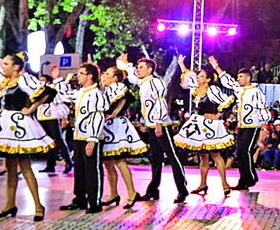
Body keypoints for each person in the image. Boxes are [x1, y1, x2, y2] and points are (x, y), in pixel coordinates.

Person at [0, 47, 55, 221]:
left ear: (16, 67)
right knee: (10, 168)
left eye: (6, 64)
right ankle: (10, 205)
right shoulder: (6, 81)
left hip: (19, 126)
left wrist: (31, 109)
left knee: (25, 166)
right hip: (6, 124)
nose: (3, 67)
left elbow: (46, 92)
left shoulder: (24, 79)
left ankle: (38, 205)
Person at [117, 53, 189, 204]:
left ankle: (182, 190)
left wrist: (158, 123)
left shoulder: (155, 82)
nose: (138, 70)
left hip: (161, 125)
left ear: (149, 70)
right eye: (138, 67)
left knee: (172, 157)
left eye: (141, 67)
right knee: (155, 159)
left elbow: (160, 103)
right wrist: (127, 64)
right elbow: (132, 77)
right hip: (152, 126)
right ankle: (153, 190)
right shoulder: (143, 82)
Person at [173, 56, 234, 196]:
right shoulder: (196, 89)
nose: (197, 78)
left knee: (216, 154)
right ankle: (202, 184)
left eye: (200, 76)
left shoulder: (212, 90)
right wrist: (181, 64)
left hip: (210, 125)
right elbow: (187, 78)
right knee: (203, 156)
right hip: (198, 124)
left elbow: (227, 101)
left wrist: (217, 115)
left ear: (207, 79)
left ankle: (225, 183)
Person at [209, 58, 271, 191]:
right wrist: (217, 67)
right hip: (242, 126)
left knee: (244, 151)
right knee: (240, 153)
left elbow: (263, 108)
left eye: (241, 77)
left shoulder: (255, 92)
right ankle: (244, 180)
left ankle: (250, 178)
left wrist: (264, 127)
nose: (238, 79)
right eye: (238, 77)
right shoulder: (239, 90)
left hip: (252, 126)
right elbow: (228, 81)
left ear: (248, 78)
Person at [58, 64, 109, 215]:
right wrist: (58, 81)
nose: (78, 76)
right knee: (79, 169)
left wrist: (92, 139)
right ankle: (80, 199)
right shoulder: (81, 92)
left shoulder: (96, 94)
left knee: (92, 170)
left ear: (90, 76)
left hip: (90, 138)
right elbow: (63, 96)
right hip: (79, 136)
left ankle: (94, 202)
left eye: (81, 73)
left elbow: (98, 117)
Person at [99, 66, 147, 209]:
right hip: (107, 127)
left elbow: (124, 97)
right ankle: (113, 194)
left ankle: (131, 192)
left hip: (116, 126)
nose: (104, 75)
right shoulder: (106, 89)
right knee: (108, 162)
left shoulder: (118, 86)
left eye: (107, 74)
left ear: (115, 78)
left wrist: (115, 113)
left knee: (120, 161)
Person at [38, 67, 74, 174]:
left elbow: (60, 96)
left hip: (52, 117)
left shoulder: (53, 89)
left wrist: (63, 117)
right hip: (42, 117)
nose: (41, 82)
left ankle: (68, 161)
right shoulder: (38, 91)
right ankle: (50, 165)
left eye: (43, 80)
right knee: (49, 142)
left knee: (58, 139)